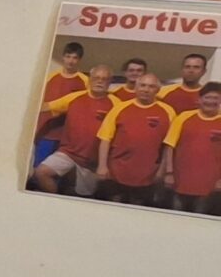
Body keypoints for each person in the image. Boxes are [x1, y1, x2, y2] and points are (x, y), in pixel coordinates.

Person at [96, 66, 178, 205]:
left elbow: (168, 146)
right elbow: (105, 139)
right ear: (136, 88)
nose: (146, 89)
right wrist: (102, 166)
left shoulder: (168, 112)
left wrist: (162, 171)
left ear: (157, 90)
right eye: (142, 85)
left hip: (147, 176)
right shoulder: (120, 108)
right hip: (116, 172)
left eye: (151, 86)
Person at [32, 64, 116, 196]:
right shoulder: (74, 97)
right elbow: (46, 106)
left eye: (104, 79)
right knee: (41, 172)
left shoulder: (116, 104)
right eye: (96, 78)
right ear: (89, 80)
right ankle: (55, 200)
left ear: (110, 82)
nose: (100, 81)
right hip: (68, 152)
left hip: (92, 161)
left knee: (84, 196)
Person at [166, 83, 221, 214]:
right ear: (199, 99)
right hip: (180, 182)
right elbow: (170, 145)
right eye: (208, 97)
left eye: (216, 98)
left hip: (209, 187)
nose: (211, 101)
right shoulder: (183, 117)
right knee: (175, 220)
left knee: (198, 223)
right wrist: (169, 173)